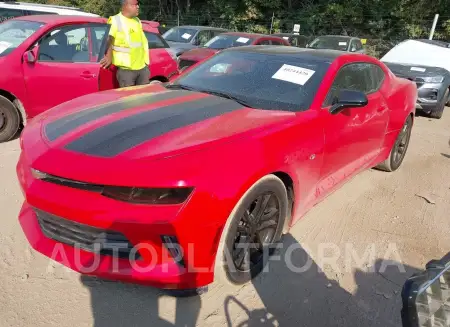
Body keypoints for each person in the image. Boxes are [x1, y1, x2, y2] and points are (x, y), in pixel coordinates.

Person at [100, 0, 150, 87]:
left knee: (143, 98)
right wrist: (108, 55)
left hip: (142, 68)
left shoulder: (137, 20)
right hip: (126, 71)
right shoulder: (115, 20)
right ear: (126, 5)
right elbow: (108, 40)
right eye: (135, 4)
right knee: (129, 99)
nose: (138, 7)